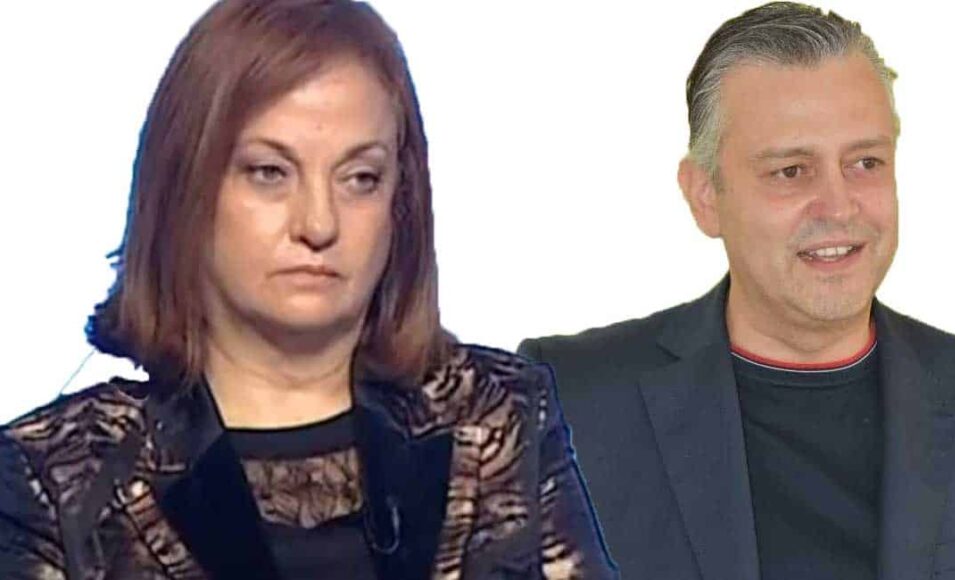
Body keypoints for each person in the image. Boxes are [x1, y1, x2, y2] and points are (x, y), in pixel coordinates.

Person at [0, 1, 616, 578]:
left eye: (360, 178)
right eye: (270, 172)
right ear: (185, 188)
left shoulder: (500, 420)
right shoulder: (56, 477)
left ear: (400, 203)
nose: (319, 224)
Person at [519, 2, 955, 579]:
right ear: (705, 196)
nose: (839, 207)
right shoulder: (566, 400)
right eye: (791, 171)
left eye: (866, 162)